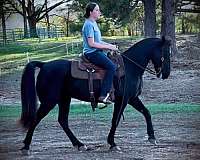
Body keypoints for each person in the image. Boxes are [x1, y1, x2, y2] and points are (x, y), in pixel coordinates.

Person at [82, 2, 118, 104]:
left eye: (99, 10)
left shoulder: (93, 23)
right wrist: (108, 47)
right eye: (97, 10)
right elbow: (92, 43)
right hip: (92, 53)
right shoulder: (88, 24)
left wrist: (111, 46)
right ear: (90, 12)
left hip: (97, 51)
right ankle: (103, 95)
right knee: (111, 67)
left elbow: (99, 41)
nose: (99, 12)